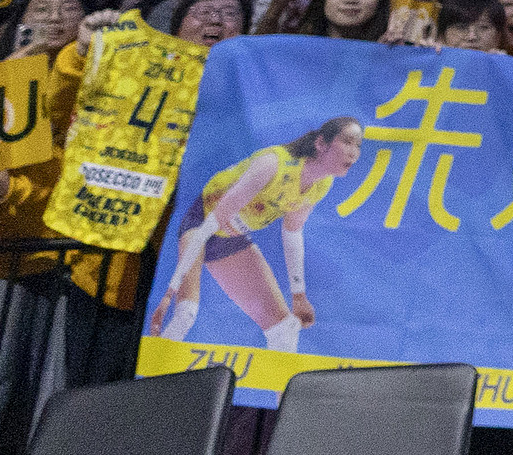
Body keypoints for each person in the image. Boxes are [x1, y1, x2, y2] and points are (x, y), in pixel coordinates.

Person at [150, 116, 365, 354]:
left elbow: (292, 233)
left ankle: (285, 393)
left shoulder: (322, 184)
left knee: (285, 329)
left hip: (230, 240)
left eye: (358, 145)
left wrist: (299, 296)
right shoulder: (272, 164)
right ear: (321, 143)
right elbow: (207, 229)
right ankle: (147, 387)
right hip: (201, 225)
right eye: (347, 142)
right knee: (184, 315)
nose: (354, 153)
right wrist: (170, 294)